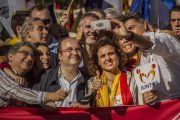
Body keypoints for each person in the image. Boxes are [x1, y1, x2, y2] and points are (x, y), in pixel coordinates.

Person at [107, 12, 180, 105]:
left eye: (131, 28)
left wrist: (130, 36)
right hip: (162, 112)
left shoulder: (164, 38)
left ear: (144, 24)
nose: (126, 36)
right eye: (125, 32)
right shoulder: (141, 55)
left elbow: (150, 43)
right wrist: (146, 97)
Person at [0, 41, 68, 106]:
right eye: (25, 53)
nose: (30, 58)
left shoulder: (24, 81)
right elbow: (16, 92)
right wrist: (50, 96)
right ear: (10, 57)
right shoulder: (1, 73)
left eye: (32, 56)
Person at [32, 37, 92, 110]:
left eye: (78, 49)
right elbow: (30, 104)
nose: (75, 53)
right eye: (69, 50)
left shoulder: (89, 82)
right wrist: (43, 106)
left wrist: (84, 108)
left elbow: (96, 108)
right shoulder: (44, 78)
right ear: (60, 56)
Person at [89, 37, 141, 107]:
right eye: (102, 56)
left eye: (111, 54)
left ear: (118, 56)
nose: (107, 58)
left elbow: (141, 106)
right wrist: (94, 92)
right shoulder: (92, 82)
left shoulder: (134, 79)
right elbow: (86, 108)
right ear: (98, 61)